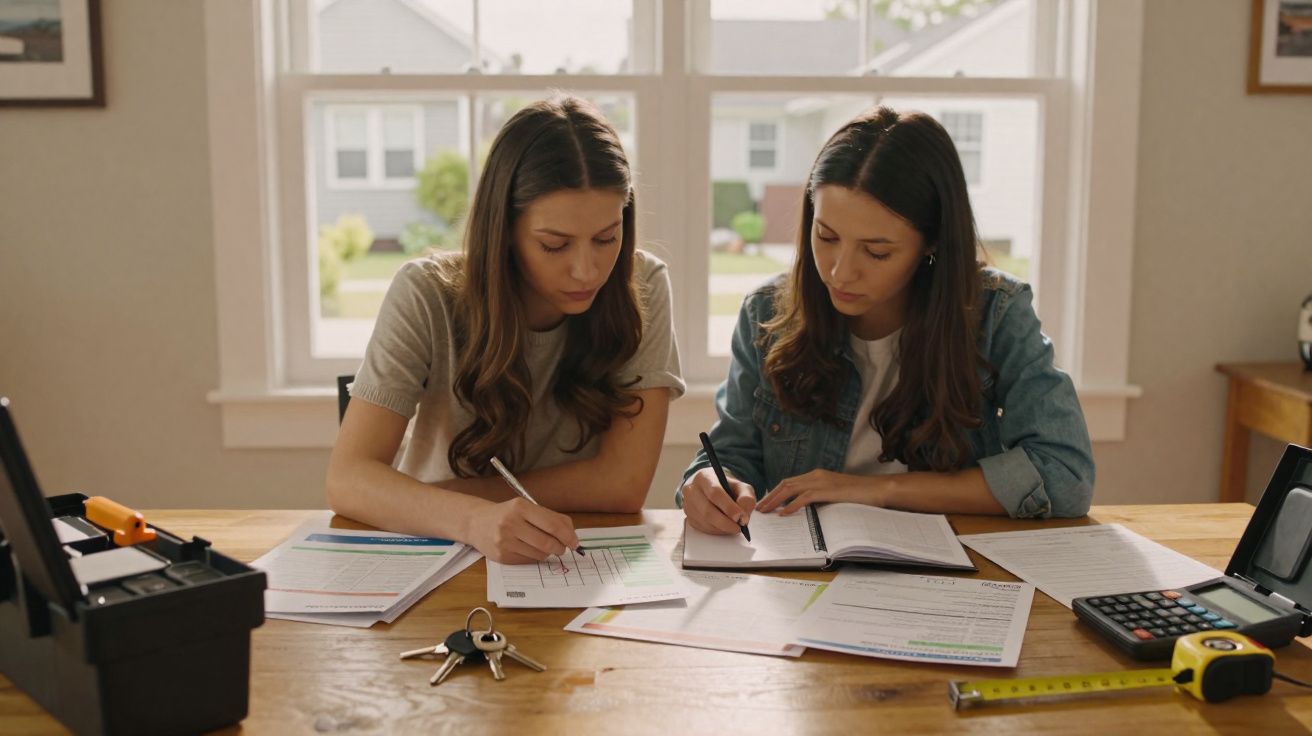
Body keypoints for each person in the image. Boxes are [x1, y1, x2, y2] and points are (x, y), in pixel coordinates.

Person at [680, 106, 1093, 536]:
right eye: (826, 237)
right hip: (800, 579)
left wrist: (875, 490)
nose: (840, 272)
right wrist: (710, 482)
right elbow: (730, 456)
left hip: (954, 575)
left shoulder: (995, 314)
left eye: (876, 252)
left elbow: (1065, 474)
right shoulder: (766, 314)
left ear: (931, 241)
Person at [328, 95, 684, 563]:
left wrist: (443, 493)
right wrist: (473, 518)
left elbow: (623, 484)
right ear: (504, 231)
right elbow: (348, 478)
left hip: (569, 557)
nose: (587, 270)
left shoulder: (644, 285)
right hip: (439, 549)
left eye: (606, 238)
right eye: (554, 245)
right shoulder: (425, 293)